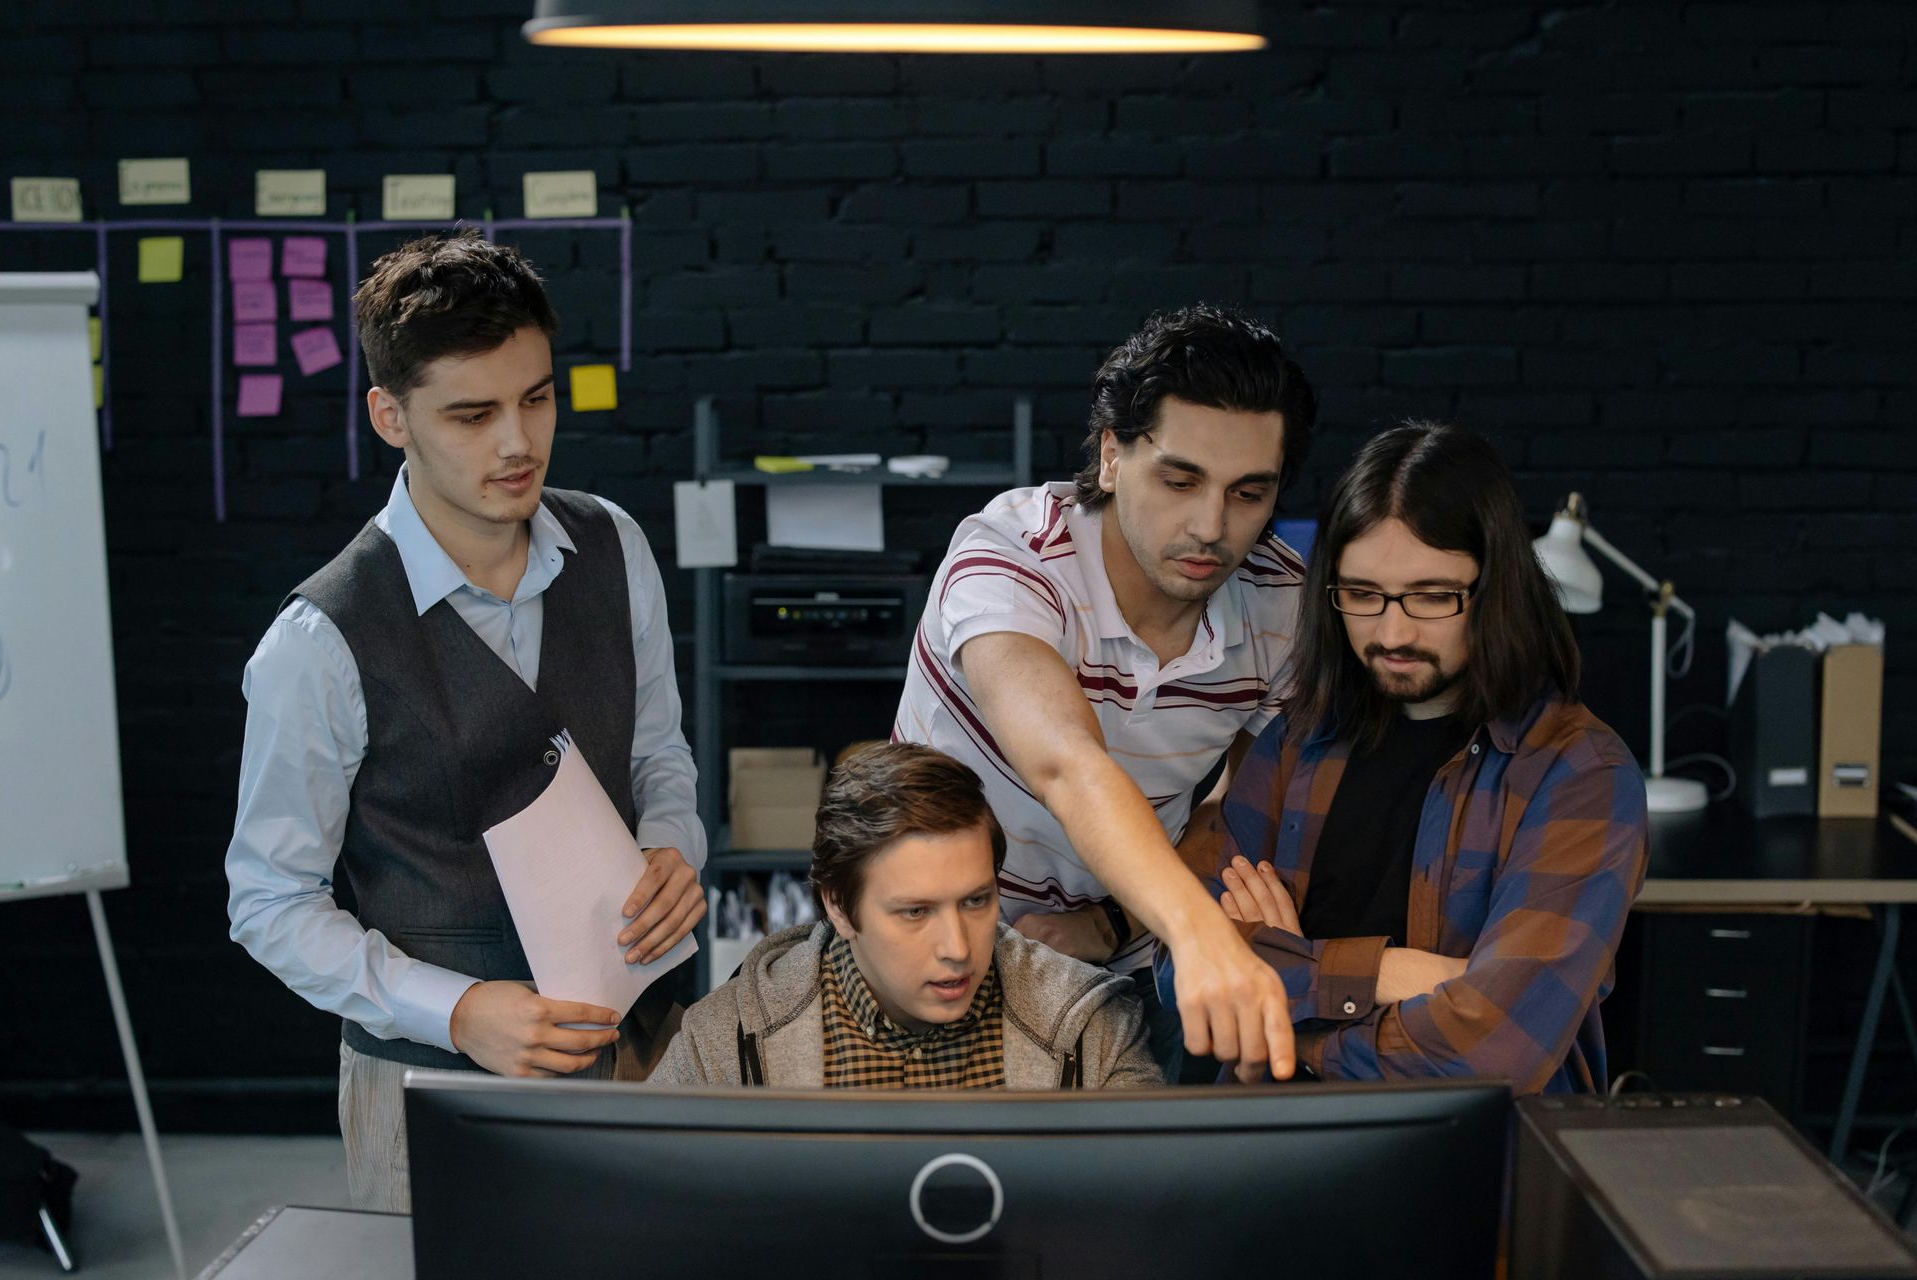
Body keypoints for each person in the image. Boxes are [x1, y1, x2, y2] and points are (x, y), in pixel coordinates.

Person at [225, 230, 707, 1210]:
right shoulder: (317, 641)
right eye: (472, 413)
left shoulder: (615, 541)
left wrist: (673, 843)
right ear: (390, 414)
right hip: (434, 1087)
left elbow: (659, 750)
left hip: (645, 1044)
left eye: (536, 398)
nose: (517, 443)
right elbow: (268, 901)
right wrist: (457, 1010)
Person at [894, 303, 1315, 1081]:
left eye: (1249, 493)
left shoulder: (1282, 606)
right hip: (926, 957)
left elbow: (1238, 806)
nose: (1211, 527)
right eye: (1180, 480)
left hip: (1120, 963)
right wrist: (1200, 934)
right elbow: (1066, 763)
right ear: (1113, 455)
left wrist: (1111, 921)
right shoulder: (1013, 556)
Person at [1168, 422, 1648, 1094]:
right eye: (1362, 595)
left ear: (1496, 586)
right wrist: (1405, 976)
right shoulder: (1295, 742)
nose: (1392, 633)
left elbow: (1498, 1050)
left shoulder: (1580, 772)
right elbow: (1182, 965)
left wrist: (1292, 1005)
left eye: (1431, 596)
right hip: (1276, 1150)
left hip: (1470, 1164)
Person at [651, 743, 1161, 1089]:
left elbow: (1151, 1219)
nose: (957, 948)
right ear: (838, 906)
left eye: (976, 901)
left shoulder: (1091, 1030)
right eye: (915, 911)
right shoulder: (721, 1043)